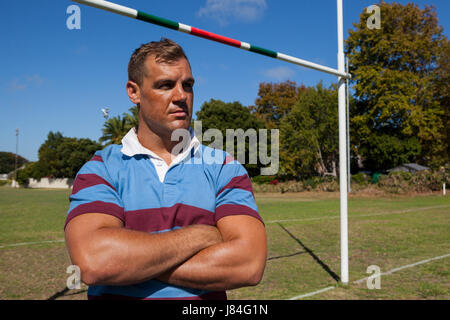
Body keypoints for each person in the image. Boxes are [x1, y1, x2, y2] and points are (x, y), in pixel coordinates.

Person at [64, 38, 267, 300]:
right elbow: (94, 262)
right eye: (165, 85)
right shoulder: (101, 169)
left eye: (188, 85)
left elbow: (248, 265)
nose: (181, 96)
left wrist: (134, 262)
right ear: (133, 92)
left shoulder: (225, 169)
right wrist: (201, 235)